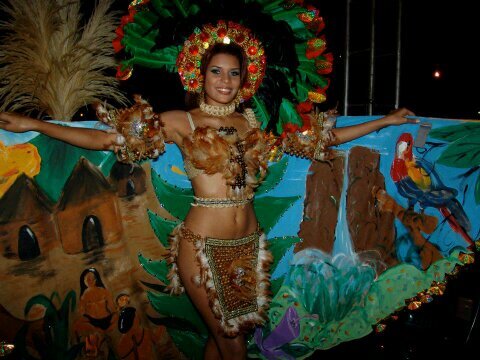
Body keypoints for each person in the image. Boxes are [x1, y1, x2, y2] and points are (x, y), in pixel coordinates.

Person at [0, 20, 416, 360]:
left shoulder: (252, 125)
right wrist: (37, 125)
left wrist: (383, 123)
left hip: (248, 248)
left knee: (227, 340)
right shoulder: (182, 120)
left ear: (244, 80)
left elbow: (320, 140)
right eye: (216, 71)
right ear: (199, 76)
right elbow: (109, 140)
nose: (225, 80)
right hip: (202, 246)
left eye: (234, 73)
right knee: (232, 344)